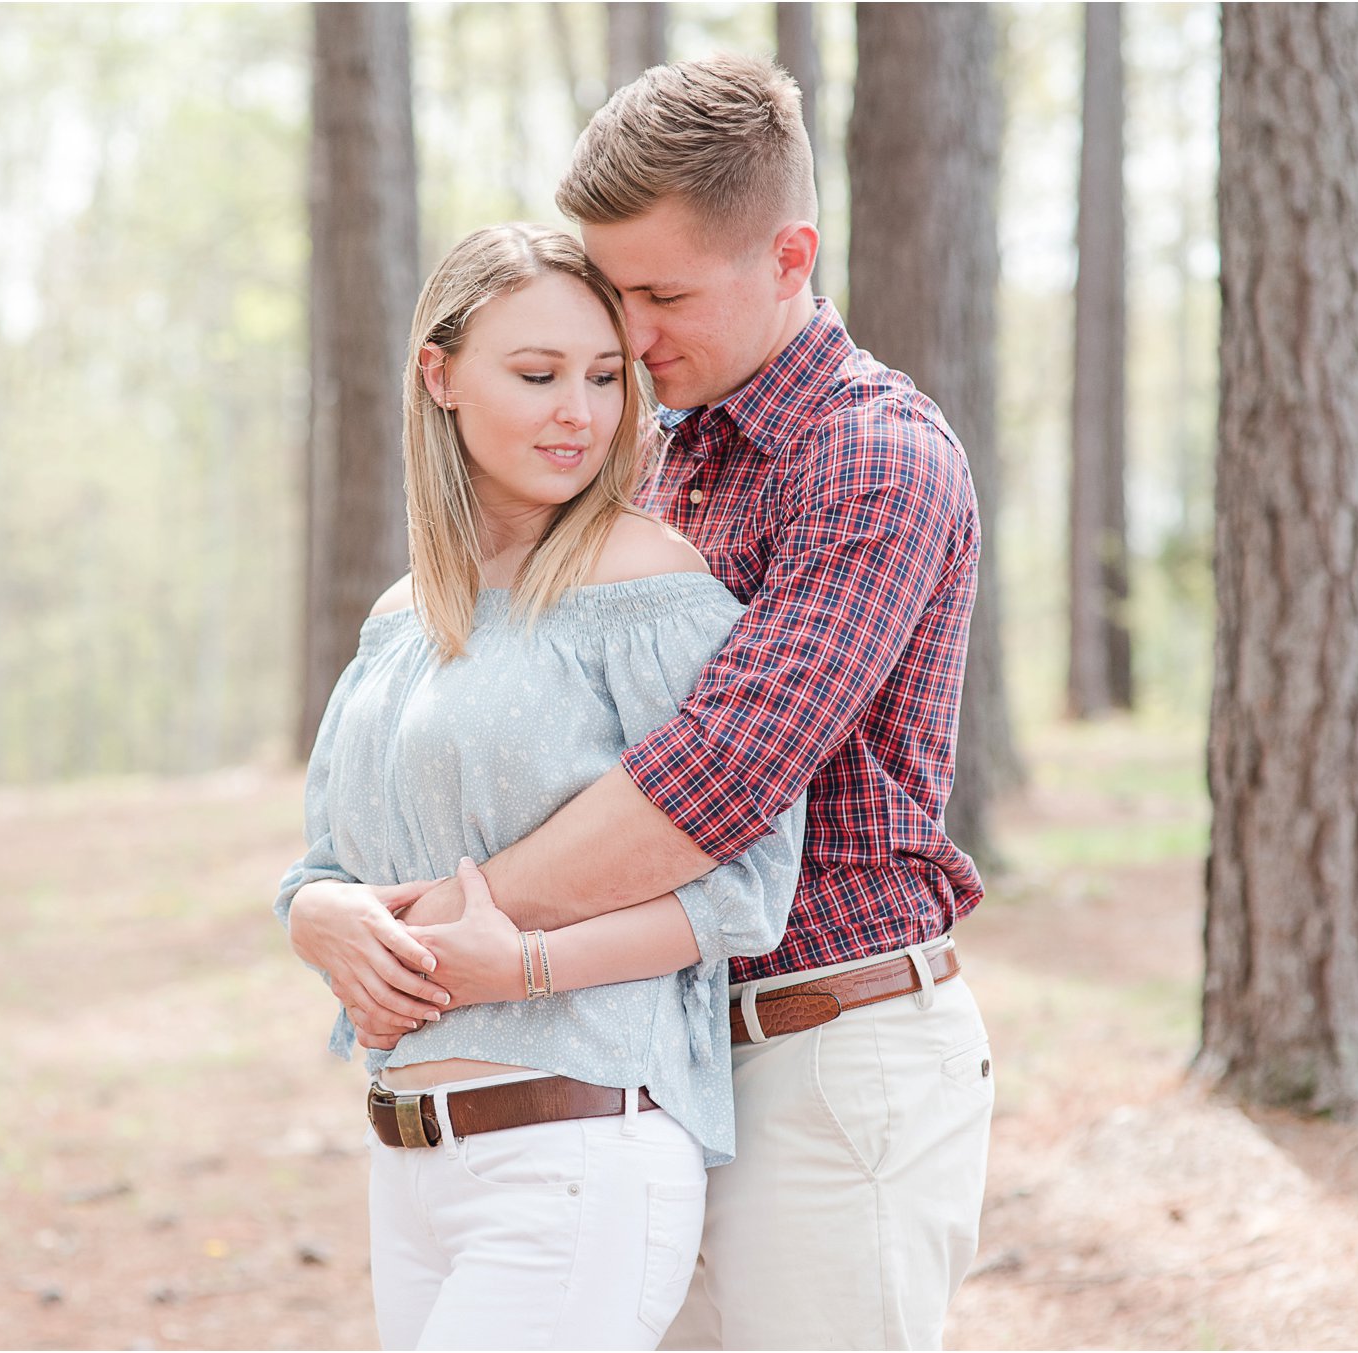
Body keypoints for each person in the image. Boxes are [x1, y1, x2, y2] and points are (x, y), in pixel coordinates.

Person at [298, 55, 995, 1351]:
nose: (630, 334)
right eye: (614, 292)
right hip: (654, 1059)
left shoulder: (874, 458)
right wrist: (334, 905)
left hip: (827, 1047)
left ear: (791, 256)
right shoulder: (663, 461)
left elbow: (709, 790)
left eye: (662, 294)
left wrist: (450, 925)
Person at [276, 222, 806, 1351]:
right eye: (536, 374)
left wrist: (522, 964)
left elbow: (745, 890)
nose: (579, 410)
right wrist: (318, 918)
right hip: (408, 1161)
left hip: (573, 1156)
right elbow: (325, 867)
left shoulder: (645, 585)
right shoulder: (398, 618)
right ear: (439, 375)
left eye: (604, 378)